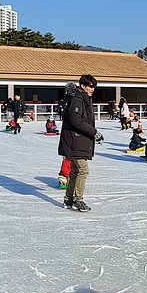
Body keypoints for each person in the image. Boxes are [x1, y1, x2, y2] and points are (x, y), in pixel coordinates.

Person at [59, 75, 102, 212]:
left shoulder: (84, 100)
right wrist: (93, 132)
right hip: (74, 142)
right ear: (83, 86)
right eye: (90, 86)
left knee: (75, 171)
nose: (93, 89)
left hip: (78, 141)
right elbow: (76, 121)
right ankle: (78, 200)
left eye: (94, 86)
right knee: (83, 170)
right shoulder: (77, 100)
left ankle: (68, 199)